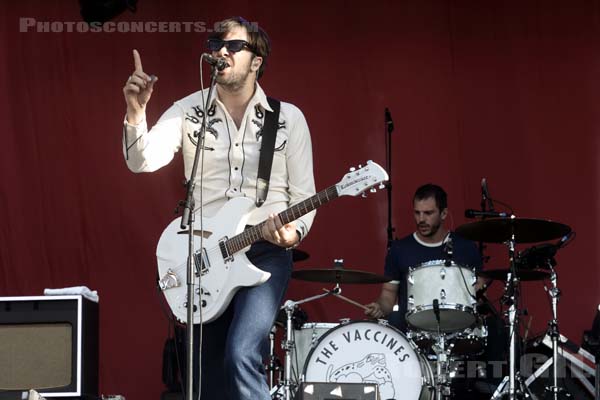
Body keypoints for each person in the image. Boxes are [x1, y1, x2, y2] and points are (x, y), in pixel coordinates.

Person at [122, 17, 316, 400]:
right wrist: (135, 113)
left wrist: (292, 233)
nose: (221, 51)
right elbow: (141, 161)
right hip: (202, 254)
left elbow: (304, 194)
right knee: (205, 373)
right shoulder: (187, 110)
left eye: (233, 46)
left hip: (264, 250)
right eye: (216, 44)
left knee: (242, 352)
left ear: (256, 61)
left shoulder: (288, 119)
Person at [364, 183, 482, 331]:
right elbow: (388, 296)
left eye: (428, 213)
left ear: (444, 214)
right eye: (417, 213)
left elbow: (479, 293)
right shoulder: (400, 249)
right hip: (414, 333)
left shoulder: (465, 247)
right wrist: (379, 307)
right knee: (394, 319)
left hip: (458, 330)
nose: (421, 219)